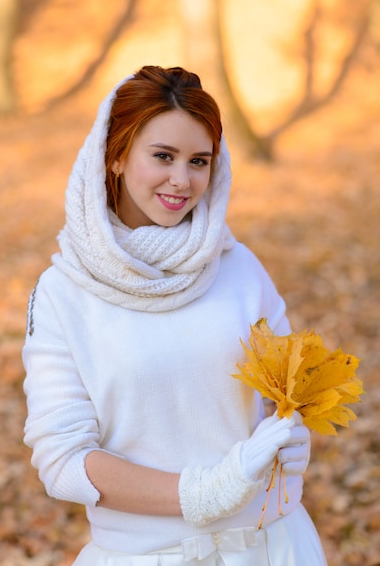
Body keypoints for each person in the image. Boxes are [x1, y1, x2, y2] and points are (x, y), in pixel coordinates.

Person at [22, 65, 327, 565]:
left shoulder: (239, 268)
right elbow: (64, 460)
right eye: (162, 156)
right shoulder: (62, 295)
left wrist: (294, 435)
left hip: (274, 546)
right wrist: (203, 493)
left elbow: (289, 392)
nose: (182, 181)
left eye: (199, 161)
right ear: (115, 155)